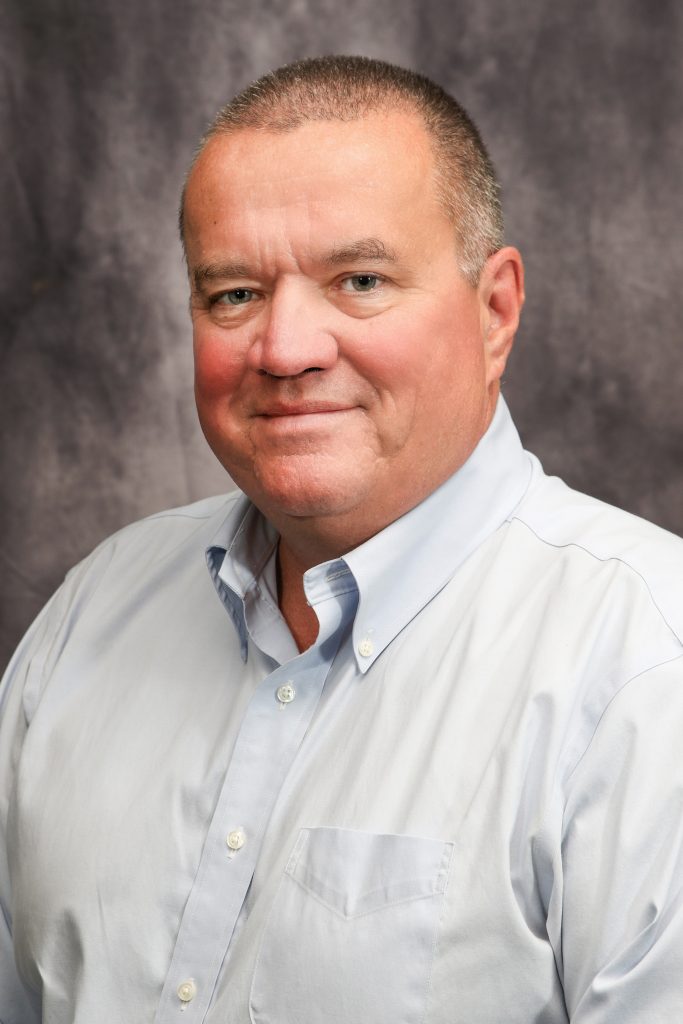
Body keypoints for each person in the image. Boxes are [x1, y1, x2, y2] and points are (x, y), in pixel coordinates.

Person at [1, 54, 683, 1024]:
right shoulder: (89, 617)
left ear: (494, 312)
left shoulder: (647, 672)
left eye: (358, 280)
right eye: (232, 293)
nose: (284, 349)